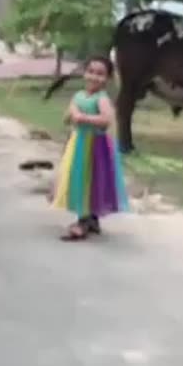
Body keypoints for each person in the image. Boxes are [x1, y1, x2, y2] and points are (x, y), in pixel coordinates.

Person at [50, 55, 130, 241]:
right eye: (91, 72)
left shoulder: (101, 99)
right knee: (78, 178)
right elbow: (68, 116)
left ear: (108, 78)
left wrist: (83, 118)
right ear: (84, 73)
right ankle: (91, 218)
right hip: (78, 142)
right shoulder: (78, 96)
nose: (94, 77)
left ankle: (83, 221)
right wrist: (71, 115)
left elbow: (106, 119)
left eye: (100, 74)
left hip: (95, 145)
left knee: (89, 181)